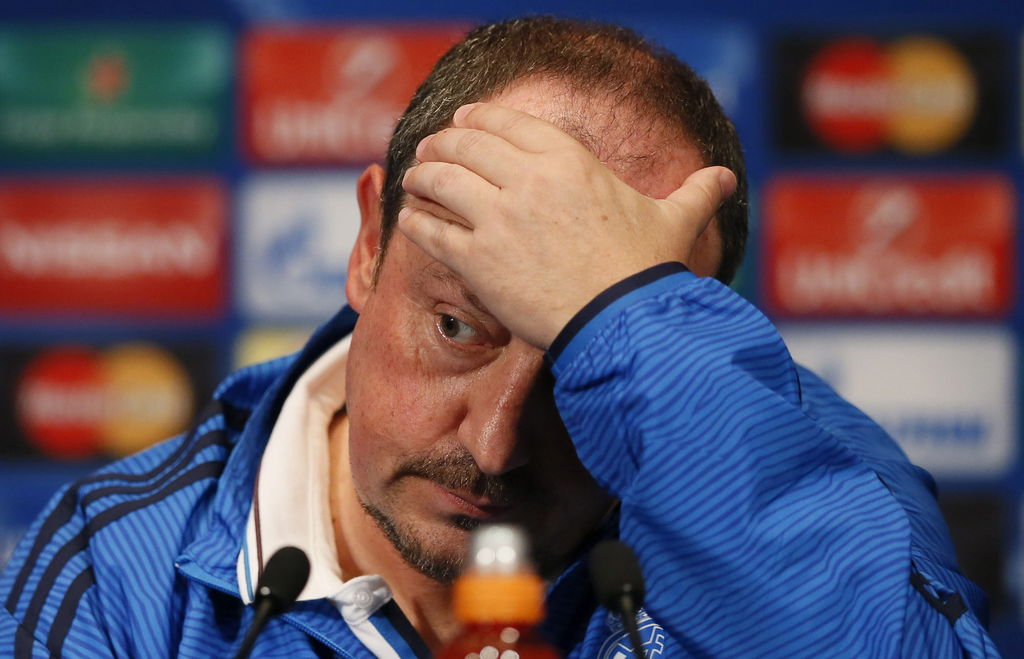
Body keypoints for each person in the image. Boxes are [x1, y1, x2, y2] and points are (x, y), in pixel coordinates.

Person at [1, 16, 999, 658]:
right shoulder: (118, 572)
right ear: (370, 244)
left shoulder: (821, 479)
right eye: (457, 327)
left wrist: (625, 311)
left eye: (577, 364)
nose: (494, 446)